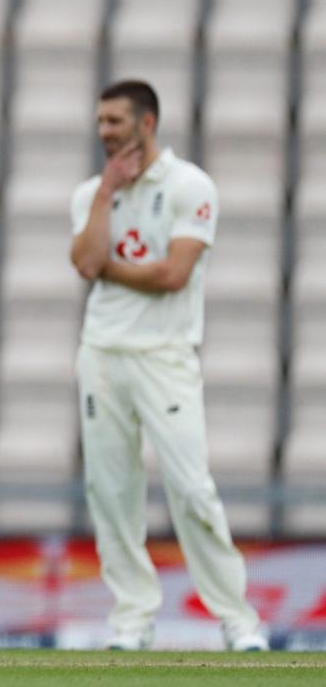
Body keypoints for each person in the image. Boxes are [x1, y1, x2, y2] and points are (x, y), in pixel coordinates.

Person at [69, 80, 268, 652]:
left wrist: (107, 267)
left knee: (190, 488)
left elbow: (172, 275)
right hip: (102, 352)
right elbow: (86, 263)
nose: (104, 131)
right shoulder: (92, 193)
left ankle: (238, 621)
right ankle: (132, 621)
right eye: (100, 121)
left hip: (166, 356)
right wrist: (108, 192)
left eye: (114, 121)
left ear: (146, 123)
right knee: (110, 489)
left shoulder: (189, 185)